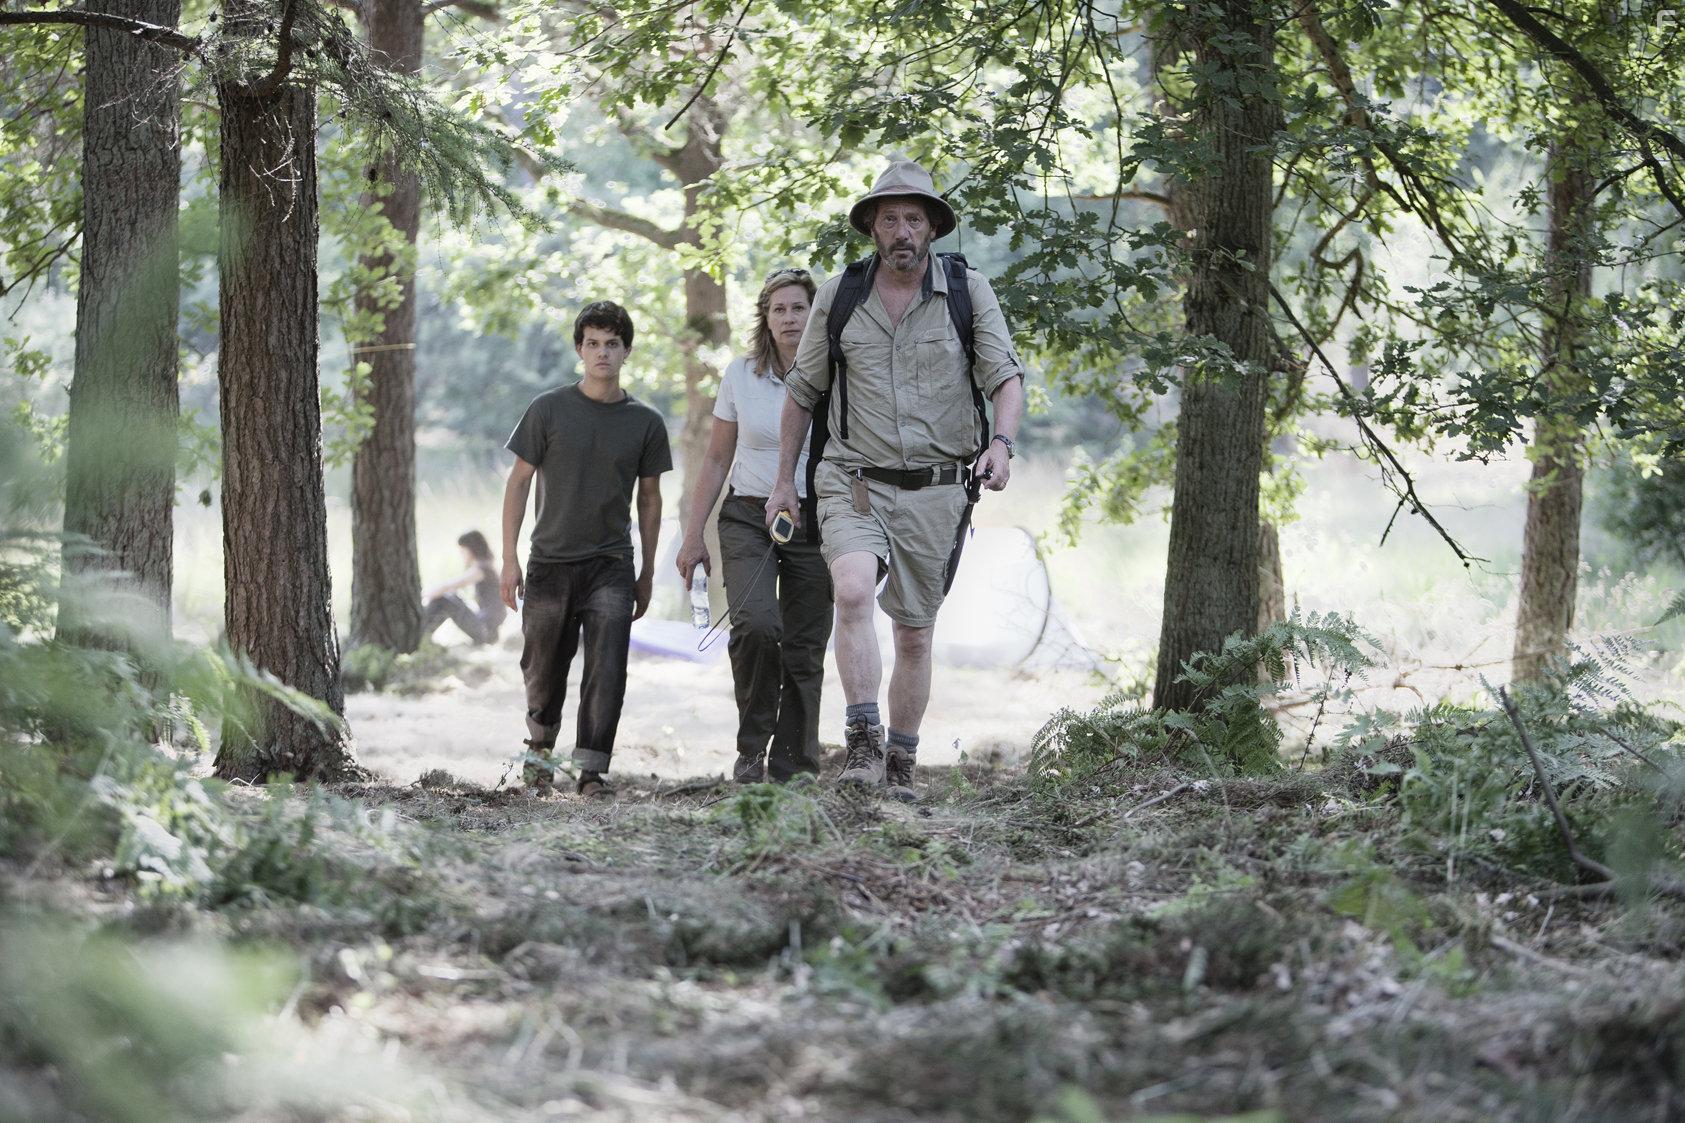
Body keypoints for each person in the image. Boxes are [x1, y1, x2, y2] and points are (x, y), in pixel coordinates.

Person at [765, 158, 1026, 800]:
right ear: (873, 229)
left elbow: (1006, 377)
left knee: (914, 629)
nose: (902, 230)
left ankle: (902, 763)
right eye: (890, 219)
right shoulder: (840, 294)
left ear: (932, 227)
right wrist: (782, 482)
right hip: (852, 477)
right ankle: (862, 746)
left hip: (939, 488)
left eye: (914, 217)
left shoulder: (968, 292)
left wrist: (1001, 443)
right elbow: (802, 392)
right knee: (851, 590)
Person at [500, 301, 672, 799]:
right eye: (593, 343)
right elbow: (517, 484)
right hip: (550, 562)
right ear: (579, 349)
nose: (602, 352)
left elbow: (651, 499)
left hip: (612, 565)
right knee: (542, 668)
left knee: (608, 667)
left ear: (626, 351)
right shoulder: (548, 409)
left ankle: (592, 773)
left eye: (612, 344)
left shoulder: (645, 422)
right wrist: (509, 560)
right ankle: (538, 760)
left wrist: (647, 574)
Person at [676, 268, 833, 784]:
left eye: (799, 308)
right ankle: (751, 749)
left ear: (816, 314)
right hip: (748, 514)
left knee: (805, 647)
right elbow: (717, 459)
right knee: (758, 626)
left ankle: (795, 769)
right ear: (765, 319)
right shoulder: (742, 374)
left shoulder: (839, 371)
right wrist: (694, 534)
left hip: (817, 519)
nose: (789, 318)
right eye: (779, 309)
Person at [420, 530, 507, 645]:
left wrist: (423, 594)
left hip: (486, 631)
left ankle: (420, 635)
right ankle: (422, 634)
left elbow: (449, 585)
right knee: (448, 596)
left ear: (472, 549)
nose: (461, 554)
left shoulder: (482, 569)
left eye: (462, 551)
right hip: (485, 627)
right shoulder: (486, 566)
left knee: (444, 599)